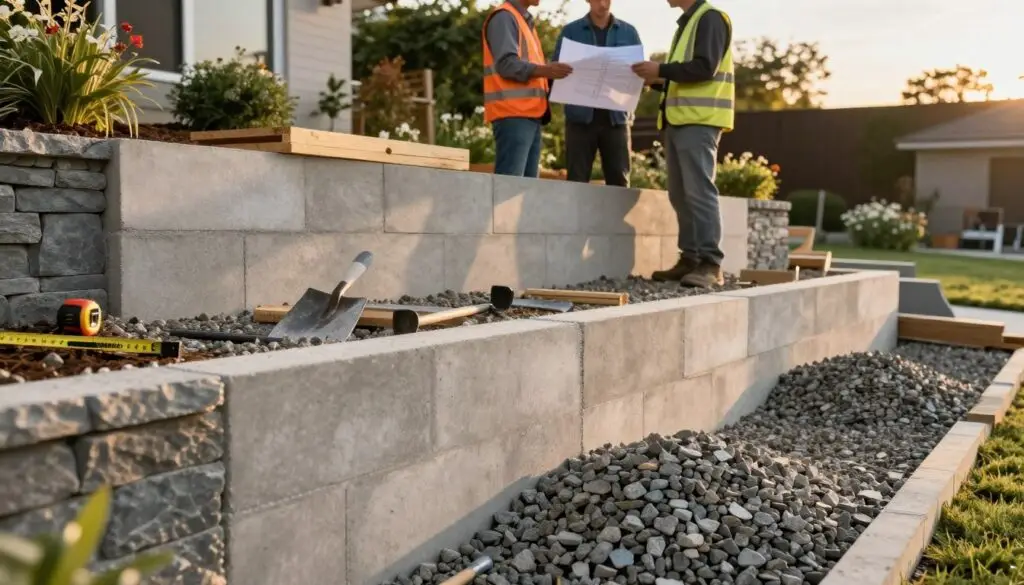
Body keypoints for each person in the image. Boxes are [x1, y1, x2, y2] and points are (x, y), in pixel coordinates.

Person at [630, 0, 734, 287]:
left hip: (699, 120)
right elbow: (684, 75)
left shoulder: (710, 18)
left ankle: (711, 264)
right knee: (680, 194)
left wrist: (660, 69)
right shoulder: (689, 22)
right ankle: (690, 258)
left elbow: (704, 68)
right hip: (680, 119)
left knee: (699, 191)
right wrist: (654, 78)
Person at [551, 0, 641, 187]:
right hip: (580, 120)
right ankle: (576, 217)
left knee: (619, 181)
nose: (603, 3)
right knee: (577, 180)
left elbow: (639, 75)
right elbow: (555, 72)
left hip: (616, 120)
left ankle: (616, 218)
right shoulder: (571, 32)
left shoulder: (629, 32)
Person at [483, 0, 573, 178]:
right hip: (513, 116)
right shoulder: (504, 17)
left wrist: (551, 73)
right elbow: (506, 64)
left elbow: (532, 72)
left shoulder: (523, 21)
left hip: (529, 116)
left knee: (525, 191)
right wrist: (546, 70)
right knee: (509, 189)